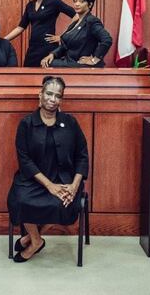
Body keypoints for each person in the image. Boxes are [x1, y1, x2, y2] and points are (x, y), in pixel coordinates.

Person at [7, 76, 89, 262]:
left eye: (57, 95)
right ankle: (36, 241)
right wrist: (50, 186)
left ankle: (30, 237)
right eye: (49, 93)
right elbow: (25, 160)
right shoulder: (26, 124)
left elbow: (82, 155)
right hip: (33, 179)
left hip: (66, 179)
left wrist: (74, 186)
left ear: (62, 100)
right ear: (41, 94)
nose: (53, 99)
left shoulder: (70, 123)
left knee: (63, 203)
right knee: (20, 200)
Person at [4, 0, 76, 67]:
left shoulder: (54, 2)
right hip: (33, 47)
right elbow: (20, 27)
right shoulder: (30, 5)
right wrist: (3, 40)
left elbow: (77, 16)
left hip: (48, 47)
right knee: (28, 77)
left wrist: (63, 36)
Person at [40, 0, 112, 68]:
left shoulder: (91, 20)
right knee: (46, 61)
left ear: (90, 4)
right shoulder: (75, 22)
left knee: (50, 65)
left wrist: (94, 59)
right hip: (69, 61)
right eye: (75, 1)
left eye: (81, 1)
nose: (77, 4)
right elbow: (65, 45)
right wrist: (52, 54)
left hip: (79, 64)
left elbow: (107, 39)